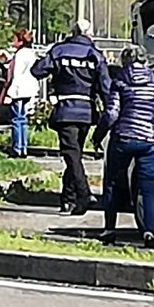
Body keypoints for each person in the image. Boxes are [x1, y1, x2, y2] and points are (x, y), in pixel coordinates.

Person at [98, 45, 154, 247]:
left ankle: (109, 229)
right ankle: (149, 232)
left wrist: (98, 135)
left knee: (113, 183)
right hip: (150, 141)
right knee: (149, 187)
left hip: (123, 138)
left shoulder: (120, 82)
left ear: (124, 61)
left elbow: (111, 114)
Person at [33, 18, 110, 215]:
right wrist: (110, 114)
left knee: (72, 155)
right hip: (86, 112)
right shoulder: (95, 55)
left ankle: (82, 194)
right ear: (89, 34)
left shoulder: (59, 51)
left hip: (66, 110)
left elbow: (37, 70)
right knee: (73, 155)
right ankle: (69, 200)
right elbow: (106, 89)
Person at [0, 29, 42, 158]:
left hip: (18, 91)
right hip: (28, 90)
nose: (13, 41)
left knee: (17, 120)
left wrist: (9, 94)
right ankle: (23, 148)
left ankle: (17, 148)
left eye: (15, 39)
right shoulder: (31, 53)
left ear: (21, 41)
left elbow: (16, 76)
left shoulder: (20, 55)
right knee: (23, 120)